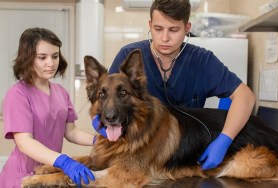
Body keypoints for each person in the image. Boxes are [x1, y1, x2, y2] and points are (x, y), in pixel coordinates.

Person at [93, 0, 256, 171]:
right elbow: (106, 96)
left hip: (185, 154)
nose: (164, 38)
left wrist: (225, 139)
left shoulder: (202, 61)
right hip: (139, 153)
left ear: (187, 28)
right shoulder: (130, 55)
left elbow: (245, 96)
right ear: (150, 25)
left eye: (174, 30)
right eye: (158, 29)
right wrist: (99, 122)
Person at [0, 27, 95, 188]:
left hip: (47, 175)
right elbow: (24, 142)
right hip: (21, 178)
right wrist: (64, 161)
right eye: (42, 57)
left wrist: (99, 140)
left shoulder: (61, 93)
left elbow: (71, 131)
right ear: (28, 58)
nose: (51, 63)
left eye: (55, 56)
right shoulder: (17, 94)